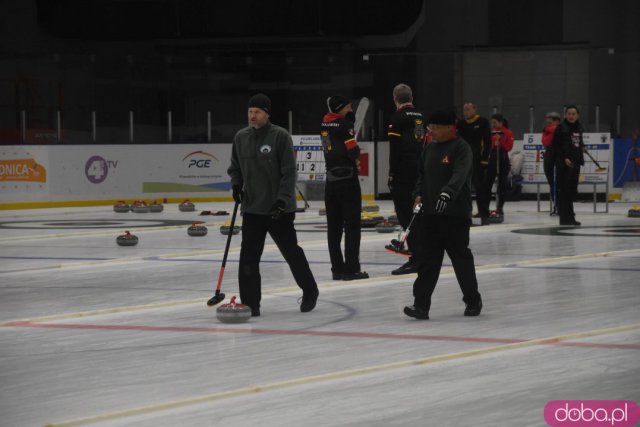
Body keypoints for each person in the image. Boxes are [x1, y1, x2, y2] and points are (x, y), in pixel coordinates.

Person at [228, 93, 319, 316]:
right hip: (252, 209)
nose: (252, 116)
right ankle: (251, 303)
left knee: (291, 253)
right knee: (248, 258)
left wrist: (282, 199)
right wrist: (236, 185)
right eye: (250, 112)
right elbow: (235, 167)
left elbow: (289, 172)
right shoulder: (241, 137)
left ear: (267, 114)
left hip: (279, 209)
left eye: (257, 112)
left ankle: (310, 290)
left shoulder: (280, 136)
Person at [403, 110, 482, 320]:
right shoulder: (429, 149)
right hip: (430, 215)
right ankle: (421, 306)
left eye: (435, 128)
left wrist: (448, 192)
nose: (432, 132)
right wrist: (418, 193)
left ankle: (472, 299)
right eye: (430, 128)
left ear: (450, 127)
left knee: (460, 259)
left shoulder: (461, 148)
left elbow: (460, 174)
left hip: (455, 215)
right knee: (428, 261)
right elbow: (421, 175)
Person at [320, 95, 369, 281]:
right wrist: (350, 131)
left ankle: (337, 269)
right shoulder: (344, 125)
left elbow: (331, 148)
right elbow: (354, 151)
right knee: (352, 225)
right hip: (347, 180)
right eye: (348, 107)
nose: (350, 110)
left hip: (331, 179)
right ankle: (351, 269)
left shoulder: (324, 124)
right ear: (340, 108)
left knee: (333, 227)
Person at [386, 84, 426, 275]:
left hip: (404, 172)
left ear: (395, 99)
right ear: (412, 97)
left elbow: (396, 150)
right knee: (419, 214)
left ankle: (416, 258)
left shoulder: (397, 119)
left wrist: (392, 173)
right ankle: (424, 254)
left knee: (406, 215)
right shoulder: (421, 117)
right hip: (421, 170)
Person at [456, 103, 492, 225]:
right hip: (464, 162)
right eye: (464, 109)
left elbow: (488, 142)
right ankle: (467, 216)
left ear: (474, 109)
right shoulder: (460, 124)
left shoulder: (483, 122)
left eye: (468, 109)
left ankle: (484, 215)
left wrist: (484, 159)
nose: (466, 112)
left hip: (478, 162)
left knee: (480, 189)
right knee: (465, 190)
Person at [553, 105, 584, 226]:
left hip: (575, 163)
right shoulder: (561, 128)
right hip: (564, 164)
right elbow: (557, 146)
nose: (571, 116)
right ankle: (564, 218)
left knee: (571, 191)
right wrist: (564, 157)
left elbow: (578, 142)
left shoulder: (579, 128)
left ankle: (570, 217)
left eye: (574, 114)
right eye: (569, 114)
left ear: (577, 115)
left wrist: (582, 146)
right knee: (564, 191)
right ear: (565, 115)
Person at [484, 113, 514, 217]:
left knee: (502, 184)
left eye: (495, 122)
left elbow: (509, 147)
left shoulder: (508, 132)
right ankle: (484, 208)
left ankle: (500, 207)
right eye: (492, 123)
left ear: (500, 122)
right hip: (492, 157)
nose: (493, 125)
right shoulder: (491, 132)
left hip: (503, 158)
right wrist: (493, 144)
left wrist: (500, 140)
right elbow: (488, 145)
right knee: (487, 183)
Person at [542, 111, 562, 215]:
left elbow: (555, 131)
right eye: (548, 120)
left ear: (557, 121)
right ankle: (556, 205)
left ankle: (559, 205)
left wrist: (549, 129)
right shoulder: (546, 130)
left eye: (552, 120)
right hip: (549, 154)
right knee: (551, 183)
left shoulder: (559, 129)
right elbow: (545, 141)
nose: (549, 122)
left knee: (557, 183)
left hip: (557, 154)